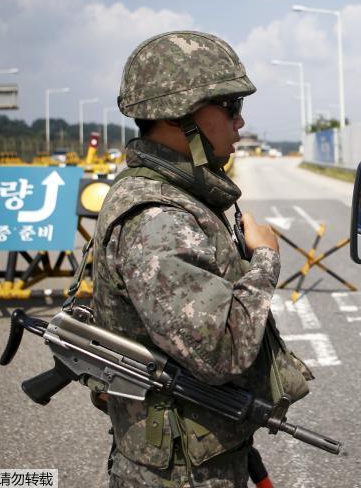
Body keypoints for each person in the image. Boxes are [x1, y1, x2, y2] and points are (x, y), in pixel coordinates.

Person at [92, 30, 311, 488]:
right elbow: (221, 351)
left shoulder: (171, 192)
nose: (240, 123)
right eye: (229, 107)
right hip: (182, 474)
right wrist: (266, 258)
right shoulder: (159, 217)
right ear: (181, 116)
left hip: (190, 456)